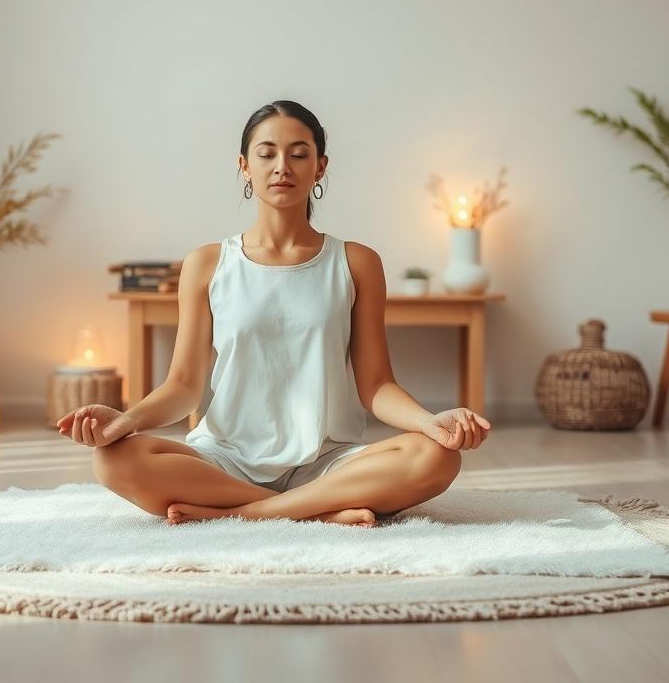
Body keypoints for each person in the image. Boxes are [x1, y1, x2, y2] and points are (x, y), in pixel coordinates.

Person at [57, 100, 491, 527]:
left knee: (436, 457)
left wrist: (430, 422)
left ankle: (245, 512)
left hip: (328, 462)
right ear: (245, 166)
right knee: (113, 460)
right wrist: (125, 420)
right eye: (267, 154)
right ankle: (318, 511)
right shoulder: (206, 264)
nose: (282, 166)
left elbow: (376, 385)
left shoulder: (357, 262)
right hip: (224, 459)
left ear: (320, 167)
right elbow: (184, 386)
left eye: (299, 154)